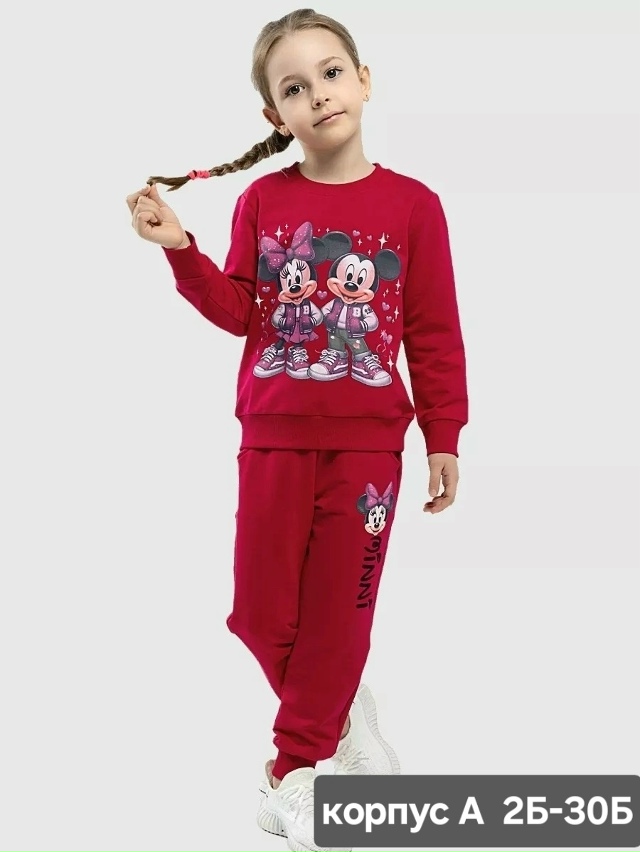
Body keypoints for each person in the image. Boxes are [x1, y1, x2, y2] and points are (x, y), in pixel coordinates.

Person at [125, 8, 468, 851]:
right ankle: (340, 711)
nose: (317, 94)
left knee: (339, 616)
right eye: (294, 87)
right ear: (274, 115)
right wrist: (181, 248)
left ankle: (293, 773)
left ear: (363, 80)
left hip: (369, 446)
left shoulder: (414, 206)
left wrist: (445, 434)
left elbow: (432, 330)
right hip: (273, 434)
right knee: (258, 611)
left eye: (330, 72)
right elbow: (239, 309)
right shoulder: (263, 200)